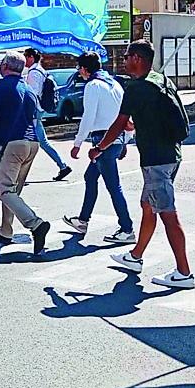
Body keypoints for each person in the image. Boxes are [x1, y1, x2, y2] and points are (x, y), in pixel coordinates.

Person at [95, 40, 194, 289]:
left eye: (127, 56)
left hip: (156, 161)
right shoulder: (161, 81)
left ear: (137, 58)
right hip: (171, 154)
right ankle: (135, 256)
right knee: (148, 206)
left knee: (168, 214)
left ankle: (184, 273)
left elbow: (119, 123)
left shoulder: (137, 87)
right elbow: (155, 117)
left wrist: (99, 148)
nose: (124, 61)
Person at [0, 50, 51, 255]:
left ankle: (36, 224)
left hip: (12, 143)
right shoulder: (28, 89)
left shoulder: (1, 86)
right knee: (13, 191)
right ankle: (5, 231)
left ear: (5, 66)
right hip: (32, 143)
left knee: (4, 190)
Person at [63, 51, 135, 244]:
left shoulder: (93, 86)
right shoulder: (114, 84)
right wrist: (126, 141)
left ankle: (127, 228)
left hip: (102, 140)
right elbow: (126, 117)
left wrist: (78, 143)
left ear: (85, 69)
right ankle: (83, 220)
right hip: (116, 138)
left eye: (80, 68)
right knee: (90, 177)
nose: (79, 72)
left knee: (113, 186)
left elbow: (88, 117)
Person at [23, 48, 72, 181]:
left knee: (30, 141)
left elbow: (33, 94)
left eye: (26, 56)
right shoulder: (40, 70)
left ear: (32, 57)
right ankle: (62, 166)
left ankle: (62, 166)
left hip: (34, 111)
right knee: (40, 142)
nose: (24, 59)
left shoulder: (34, 73)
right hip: (39, 110)